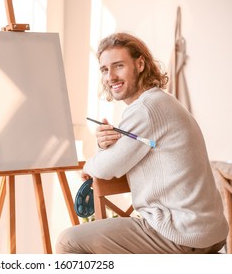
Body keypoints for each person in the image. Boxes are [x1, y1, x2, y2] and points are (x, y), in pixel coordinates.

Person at [56, 32, 229, 254]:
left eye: (118, 66)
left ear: (140, 64)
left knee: (68, 241)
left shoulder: (146, 109)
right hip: (209, 232)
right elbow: (120, 158)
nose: (110, 77)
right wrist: (104, 149)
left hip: (181, 233)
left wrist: (89, 165)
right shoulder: (161, 102)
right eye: (104, 70)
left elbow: (107, 167)